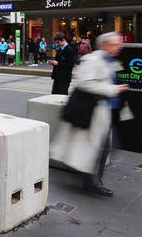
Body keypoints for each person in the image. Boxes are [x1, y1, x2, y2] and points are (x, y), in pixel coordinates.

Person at [50, 32, 129, 197]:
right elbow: (85, 83)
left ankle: (92, 180)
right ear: (105, 45)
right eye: (115, 44)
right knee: (99, 147)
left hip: (105, 111)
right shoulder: (93, 59)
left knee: (103, 147)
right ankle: (92, 182)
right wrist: (114, 89)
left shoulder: (110, 61)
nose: (119, 47)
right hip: (93, 112)